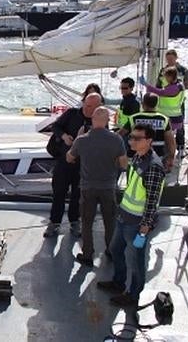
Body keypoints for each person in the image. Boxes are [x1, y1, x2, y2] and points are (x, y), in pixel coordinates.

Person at [97, 123, 166, 307]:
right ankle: (118, 282)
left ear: (149, 141)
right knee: (115, 249)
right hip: (124, 217)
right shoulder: (137, 157)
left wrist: (145, 225)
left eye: (137, 138)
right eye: (131, 137)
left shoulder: (153, 167)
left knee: (136, 260)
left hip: (137, 224)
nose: (132, 141)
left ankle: (133, 295)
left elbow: (152, 200)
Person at [67, 105, 128, 267]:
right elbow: (124, 164)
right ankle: (111, 250)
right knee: (110, 221)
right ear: (107, 121)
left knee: (87, 222)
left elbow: (69, 158)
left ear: (93, 120)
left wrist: (79, 138)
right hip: (108, 187)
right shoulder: (116, 139)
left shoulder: (82, 140)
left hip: (88, 187)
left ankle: (87, 254)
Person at [44, 88, 103, 238]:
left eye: (90, 107)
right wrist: (64, 136)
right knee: (58, 193)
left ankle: (74, 222)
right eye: (85, 104)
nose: (86, 108)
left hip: (83, 165)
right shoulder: (72, 113)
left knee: (77, 195)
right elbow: (55, 126)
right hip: (64, 161)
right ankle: (54, 223)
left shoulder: (99, 120)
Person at [119, 93, 176, 171]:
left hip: (136, 156)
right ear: (157, 104)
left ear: (143, 104)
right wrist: (171, 157)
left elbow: (120, 135)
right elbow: (171, 142)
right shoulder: (164, 119)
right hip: (157, 156)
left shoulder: (134, 118)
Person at [140, 66, 186, 158]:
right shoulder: (179, 85)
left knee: (168, 139)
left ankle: (167, 157)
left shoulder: (174, 88)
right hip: (176, 115)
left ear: (170, 76)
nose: (165, 78)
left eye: (166, 76)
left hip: (171, 117)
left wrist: (146, 85)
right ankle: (168, 155)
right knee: (168, 138)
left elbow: (160, 92)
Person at [155, 49, 188, 156]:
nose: (169, 61)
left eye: (171, 59)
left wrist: (175, 87)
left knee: (180, 126)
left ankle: (180, 148)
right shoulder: (163, 70)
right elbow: (158, 85)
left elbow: (187, 86)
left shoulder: (183, 71)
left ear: (176, 58)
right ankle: (163, 147)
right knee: (163, 125)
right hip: (164, 103)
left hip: (177, 103)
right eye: (167, 59)